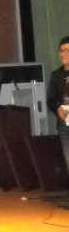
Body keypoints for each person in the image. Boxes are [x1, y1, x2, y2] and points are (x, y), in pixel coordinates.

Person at [46, 36, 69, 173]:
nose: (63, 54)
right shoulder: (56, 75)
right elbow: (50, 99)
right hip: (64, 125)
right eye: (61, 50)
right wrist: (57, 110)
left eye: (67, 50)